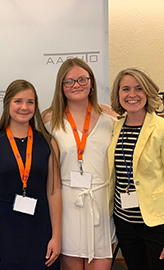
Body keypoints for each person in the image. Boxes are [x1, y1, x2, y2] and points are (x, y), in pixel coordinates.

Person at [42, 58, 117, 270]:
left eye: (82, 79)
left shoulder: (110, 116)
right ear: (61, 86)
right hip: (66, 204)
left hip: (101, 203)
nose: (77, 85)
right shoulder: (49, 120)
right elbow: (27, 153)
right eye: (69, 81)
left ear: (91, 82)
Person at [0, 79, 62, 269]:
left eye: (30, 102)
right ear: (7, 103)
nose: (24, 107)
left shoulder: (48, 143)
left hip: (40, 230)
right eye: (18, 101)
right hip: (3, 232)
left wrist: (56, 237)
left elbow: (54, 192)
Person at [108, 67, 164, 270]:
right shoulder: (116, 127)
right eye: (125, 89)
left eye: (138, 88)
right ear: (118, 94)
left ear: (148, 92)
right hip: (124, 223)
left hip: (156, 224)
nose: (132, 95)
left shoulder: (160, 128)